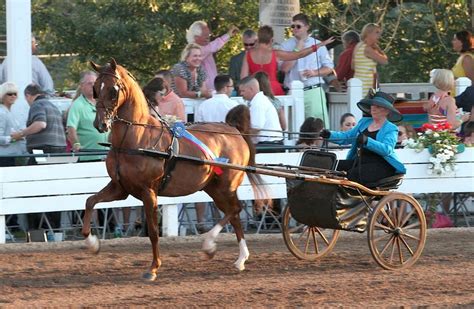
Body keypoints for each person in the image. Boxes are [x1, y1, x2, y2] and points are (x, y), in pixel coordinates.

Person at [11, 84, 66, 230]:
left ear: (28, 95)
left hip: (43, 153)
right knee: (53, 192)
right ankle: (55, 230)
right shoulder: (53, 106)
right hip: (59, 153)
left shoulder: (37, 104)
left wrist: (21, 134)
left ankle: (35, 231)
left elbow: (40, 124)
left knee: (31, 190)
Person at [320, 91, 405, 186]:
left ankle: (345, 199)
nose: (373, 108)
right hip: (361, 161)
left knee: (352, 174)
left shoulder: (391, 128)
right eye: (372, 105)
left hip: (382, 165)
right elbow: (347, 137)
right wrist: (329, 134)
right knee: (333, 167)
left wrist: (368, 141)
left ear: (387, 111)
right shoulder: (364, 122)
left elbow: (387, 150)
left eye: (378, 106)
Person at [241, 24, 334, 96]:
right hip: (273, 90)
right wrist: (319, 45)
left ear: (258, 39)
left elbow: (243, 78)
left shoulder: (248, 55)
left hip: (254, 91)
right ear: (271, 40)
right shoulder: (275, 53)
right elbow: (299, 54)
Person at [280, 13, 335, 123]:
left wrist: (314, 72)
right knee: (294, 128)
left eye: (298, 26)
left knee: (317, 127)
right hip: (293, 92)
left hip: (313, 90)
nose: (295, 29)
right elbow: (284, 69)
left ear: (307, 27)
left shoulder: (318, 45)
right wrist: (297, 49)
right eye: (293, 26)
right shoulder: (285, 45)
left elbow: (329, 67)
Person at [66, 71, 109, 161]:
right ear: (82, 86)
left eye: (95, 83)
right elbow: (71, 128)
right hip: (89, 157)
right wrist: (76, 144)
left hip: (108, 156)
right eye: (90, 83)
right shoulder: (77, 105)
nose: (93, 86)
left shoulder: (105, 103)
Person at [186, 21, 239, 91]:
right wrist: (228, 35)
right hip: (202, 93)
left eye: (209, 34)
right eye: (205, 35)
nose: (208, 37)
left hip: (210, 91)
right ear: (196, 37)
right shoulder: (194, 50)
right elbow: (213, 46)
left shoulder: (204, 47)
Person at [238, 76, 283, 147]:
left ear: (251, 89)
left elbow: (256, 128)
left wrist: (239, 137)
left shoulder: (258, 103)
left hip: (268, 144)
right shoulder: (260, 100)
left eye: (243, 91)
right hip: (271, 142)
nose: (241, 94)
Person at [353, 23, 388, 96]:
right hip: (366, 88)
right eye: (377, 32)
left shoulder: (358, 46)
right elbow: (384, 61)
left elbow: (352, 66)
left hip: (358, 84)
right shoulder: (368, 49)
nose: (379, 36)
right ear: (368, 33)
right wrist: (378, 48)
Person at [0, 82, 26, 166]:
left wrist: (20, 135)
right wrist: (14, 138)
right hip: (4, 157)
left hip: (13, 155)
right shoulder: (2, 113)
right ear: (2, 95)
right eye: (9, 94)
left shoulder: (10, 113)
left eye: (15, 94)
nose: (13, 96)